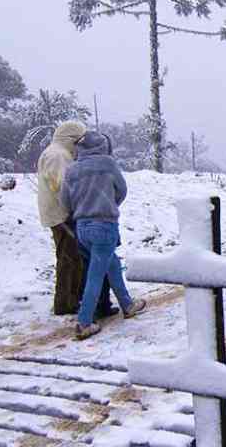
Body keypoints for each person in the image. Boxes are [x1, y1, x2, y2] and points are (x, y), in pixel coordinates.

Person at [60, 131, 146, 340]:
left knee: (111, 264)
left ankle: (127, 305)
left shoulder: (72, 170)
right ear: (102, 146)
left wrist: (82, 209)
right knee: (95, 275)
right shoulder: (107, 164)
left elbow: (64, 200)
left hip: (81, 227)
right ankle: (84, 322)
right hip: (104, 226)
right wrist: (108, 204)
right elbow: (122, 190)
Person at [37, 121, 116, 317]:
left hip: (60, 212)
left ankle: (75, 298)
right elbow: (64, 186)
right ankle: (65, 303)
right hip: (61, 214)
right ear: (71, 139)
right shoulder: (59, 156)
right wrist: (81, 206)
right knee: (69, 259)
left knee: (74, 257)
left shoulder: (57, 152)